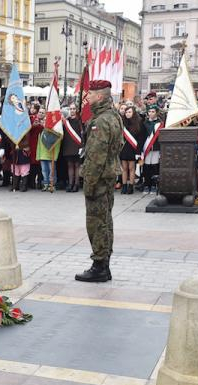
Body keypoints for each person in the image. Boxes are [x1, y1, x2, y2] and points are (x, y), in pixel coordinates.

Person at [75, 80, 123, 283]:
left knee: (96, 223)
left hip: (99, 179)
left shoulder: (100, 121)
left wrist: (90, 183)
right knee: (105, 220)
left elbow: (96, 156)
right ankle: (103, 264)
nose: (87, 98)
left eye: (91, 94)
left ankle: (100, 266)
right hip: (109, 175)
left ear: (100, 96)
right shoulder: (113, 116)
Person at [120, 106, 144, 195]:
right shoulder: (122, 123)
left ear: (133, 113)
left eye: (129, 112)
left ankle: (131, 186)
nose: (127, 114)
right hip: (124, 148)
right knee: (124, 168)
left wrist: (138, 151)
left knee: (131, 168)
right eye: (126, 112)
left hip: (133, 148)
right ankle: (124, 186)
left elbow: (141, 138)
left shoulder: (139, 123)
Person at [61, 103, 83, 193]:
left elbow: (82, 134)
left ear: (76, 110)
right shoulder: (66, 121)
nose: (72, 110)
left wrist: (82, 146)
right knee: (70, 165)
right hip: (68, 145)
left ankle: (76, 184)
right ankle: (70, 184)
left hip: (77, 145)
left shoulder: (79, 121)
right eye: (71, 109)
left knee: (77, 165)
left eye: (74, 109)